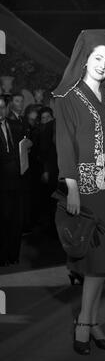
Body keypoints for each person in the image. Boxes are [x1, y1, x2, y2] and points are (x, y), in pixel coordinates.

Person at [53, 29, 105, 355]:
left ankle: (92, 320)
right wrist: (71, 186)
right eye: (98, 58)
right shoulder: (67, 98)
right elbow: (65, 145)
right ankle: (85, 322)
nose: (102, 65)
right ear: (85, 59)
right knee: (95, 261)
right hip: (85, 188)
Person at [0, 96, 23, 266]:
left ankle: (13, 255)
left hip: (17, 182)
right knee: (3, 220)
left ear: (7, 108)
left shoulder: (15, 125)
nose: (0, 111)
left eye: (2, 107)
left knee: (16, 219)